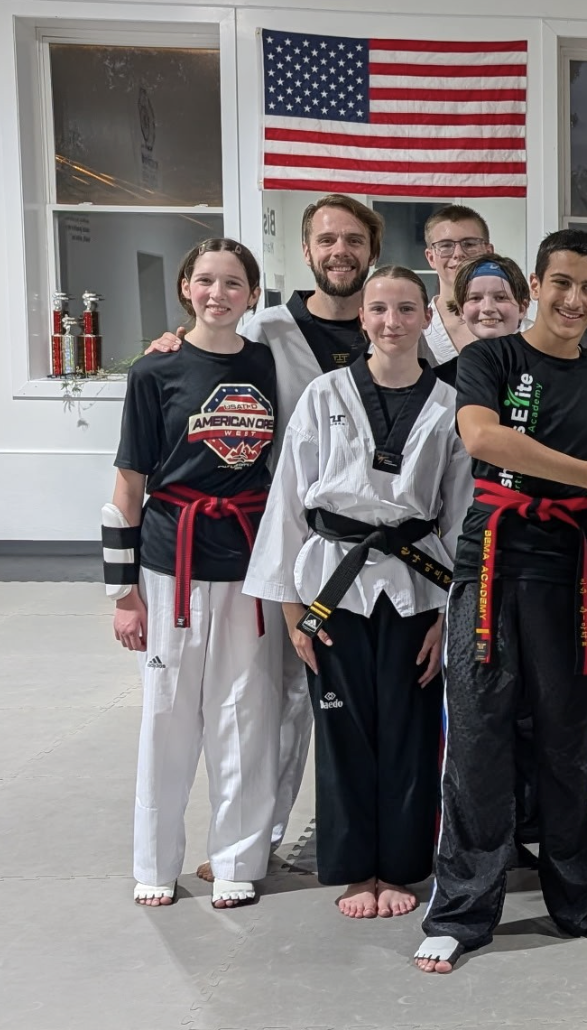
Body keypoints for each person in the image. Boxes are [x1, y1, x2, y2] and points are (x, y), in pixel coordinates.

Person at [413, 230, 587, 973]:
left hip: (572, 566)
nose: (574, 300)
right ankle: (460, 910)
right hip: (491, 559)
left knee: (567, 738)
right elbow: (484, 439)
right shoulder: (491, 359)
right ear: (535, 289)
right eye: (561, 284)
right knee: (479, 736)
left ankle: (580, 897)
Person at [149, 194, 387, 879]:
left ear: (370, 250)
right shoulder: (271, 331)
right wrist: (170, 341)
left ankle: (382, 833)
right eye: (326, 239)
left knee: (374, 694)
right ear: (307, 252)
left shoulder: (397, 324)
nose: (339, 250)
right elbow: (207, 352)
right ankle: (259, 839)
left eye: (352, 239)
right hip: (285, 531)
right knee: (276, 695)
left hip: (378, 542)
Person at [245, 267, 470, 919]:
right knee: (341, 729)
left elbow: (458, 515)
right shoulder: (323, 394)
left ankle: (400, 868)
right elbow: (289, 499)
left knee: (410, 730)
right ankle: (352, 868)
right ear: (362, 318)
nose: (392, 322)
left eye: (406, 309)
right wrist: (294, 614)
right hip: (331, 587)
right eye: (379, 309)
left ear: (427, 315)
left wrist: (445, 616)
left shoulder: (451, 404)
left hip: (417, 585)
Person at [108, 238, 280, 909]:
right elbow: (126, 485)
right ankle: (155, 860)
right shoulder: (154, 373)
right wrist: (123, 594)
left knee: (244, 710)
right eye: (205, 281)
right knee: (169, 713)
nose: (218, 294)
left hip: (247, 557)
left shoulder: (268, 364)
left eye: (233, 283)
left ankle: (236, 858)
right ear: (186, 288)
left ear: (251, 295)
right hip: (168, 557)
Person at [433, 254, 533, 385]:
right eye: (475, 298)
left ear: (522, 308)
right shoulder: (440, 381)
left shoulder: (547, 370)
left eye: (500, 297)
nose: (487, 308)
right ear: (461, 309)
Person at [420, 205, 494, 367]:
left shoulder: (521, 330)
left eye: (469, 244)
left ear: (489, 252)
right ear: (431, 257)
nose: (458, 253)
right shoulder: (415, 329)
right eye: (445, 245)